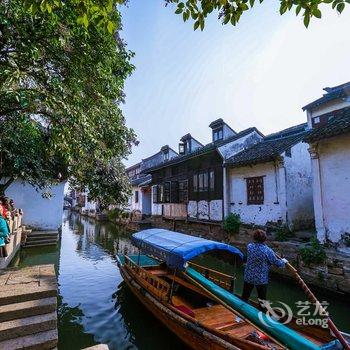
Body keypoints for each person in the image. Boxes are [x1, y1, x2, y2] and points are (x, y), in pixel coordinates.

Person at [242, 229, 287, 302]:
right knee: (262, 301)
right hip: (261, 279)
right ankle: (262, 311)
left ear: (254, 238)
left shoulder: (249, 247)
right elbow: (277, 263)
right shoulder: (267, 250)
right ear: (264, 239)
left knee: (244, 297)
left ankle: (241, 309)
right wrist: (284, 261)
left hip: (249, 276)